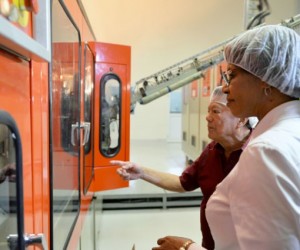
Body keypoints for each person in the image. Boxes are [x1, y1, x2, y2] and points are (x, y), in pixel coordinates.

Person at [111, 86, 258, 250]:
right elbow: (183, 183)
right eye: (208, 111)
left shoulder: (258, 155)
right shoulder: (212, 150)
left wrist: (187, 247)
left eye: (215, 111)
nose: (207, 118)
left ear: (242, 119)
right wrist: (142, 172)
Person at [205, 25, 300, 250]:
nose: (225, 89)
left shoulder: (267, 151)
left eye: (232, 75)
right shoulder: (290, 131)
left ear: (265, 79)